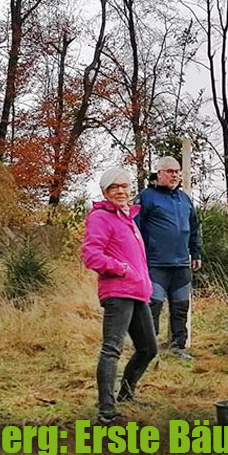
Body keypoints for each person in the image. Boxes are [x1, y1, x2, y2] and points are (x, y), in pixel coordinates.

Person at [83, 167, 159, 424]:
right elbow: (91, 255)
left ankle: (126, 394)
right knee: (112, 349)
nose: (120, 191)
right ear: (105, 192)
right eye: (114, 187)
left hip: (137, 292)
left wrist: (142, 281)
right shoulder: (100, 217)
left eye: (124, 186)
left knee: (148, 348)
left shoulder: (127, 218)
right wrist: (121, 269)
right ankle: (106, 412)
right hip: (118, 291)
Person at [135, 156, 201, 360]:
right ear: (159, 173)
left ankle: (178, 348)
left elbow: (194, 227)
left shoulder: (185, 199)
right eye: (170, 171)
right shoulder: (146, 197)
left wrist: (196, 252)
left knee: (181, 308)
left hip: (181, 264)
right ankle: (149, 349)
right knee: (152, 307)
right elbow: (135, 229)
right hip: (155, 264)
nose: (175, 175)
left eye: (177, 172)